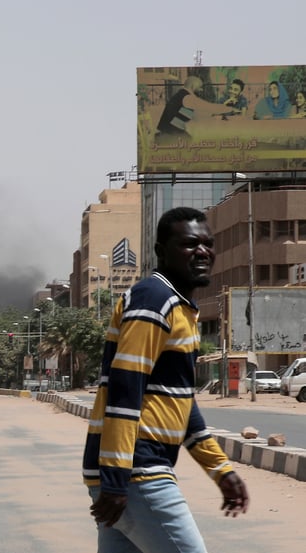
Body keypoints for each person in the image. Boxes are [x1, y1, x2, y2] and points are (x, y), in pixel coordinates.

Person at [84, 207, 249, 553]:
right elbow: (125, 389)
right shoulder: (154, 299)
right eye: (190, 244)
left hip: (129, 473)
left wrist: (220, 470)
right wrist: (117, 479)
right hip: (137, 471)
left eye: (207, 244)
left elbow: (182, 404)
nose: (202, 252)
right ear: (161, 251)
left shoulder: (179, 308)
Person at [155, 76, 235, 139]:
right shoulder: (187, 98)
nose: (201, 90)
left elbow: (195, 115)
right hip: (170, 135)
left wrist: (215, 116)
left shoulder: (181, 95)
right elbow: (209, 107)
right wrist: (230, 108)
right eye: (199, 87)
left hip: (168, 132)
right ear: (193, 86)